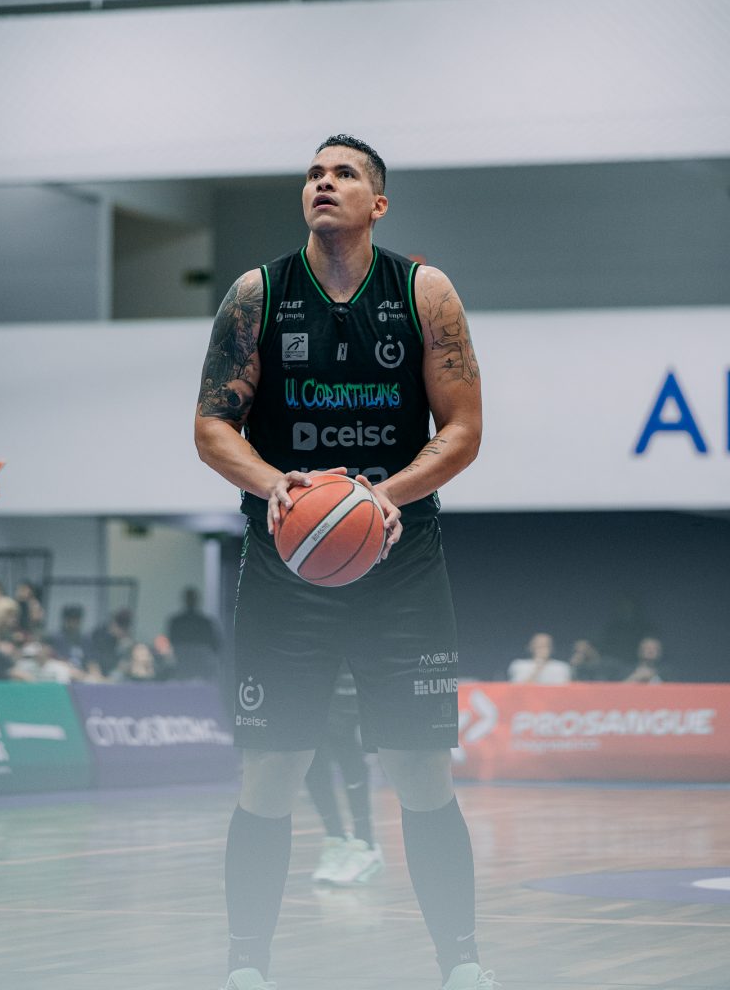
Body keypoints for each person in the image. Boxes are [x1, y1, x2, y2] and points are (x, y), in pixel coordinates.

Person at [195, 134, 493, 990]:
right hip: (285, 566)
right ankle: (246, 966)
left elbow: (463, 429)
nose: (324, 182)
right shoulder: (256, 294)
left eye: (345, 174)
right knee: (271, 772)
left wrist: (382, 497)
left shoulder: (424, 292)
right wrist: (275, 486)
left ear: (378, 203)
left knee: (421, 774)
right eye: (315, 173)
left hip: (401, 560)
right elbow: (212, 424)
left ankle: (461, 962)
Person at [305, 664, 384, 886]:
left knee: (343, 736)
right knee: (308, 748)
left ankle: (366, 844)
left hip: (342, 657)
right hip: (305, 662)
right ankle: (335, 839)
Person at [167, 585, 221, 680]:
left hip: (188, 665)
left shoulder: (176, 622)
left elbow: (172, 641)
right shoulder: (205, 622)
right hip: (194, 665)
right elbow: (215, 645)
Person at [507, 632, 571, 684]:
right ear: (530, 647)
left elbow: (563, 689)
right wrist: (539, 667)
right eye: (538, 645)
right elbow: (518, 689)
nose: (542, 648)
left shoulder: (561, 667)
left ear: (552, 648)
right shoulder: (519, 665)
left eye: (546, 645)